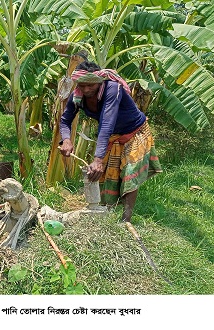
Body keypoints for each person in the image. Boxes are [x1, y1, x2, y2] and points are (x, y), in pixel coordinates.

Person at [59, 61, 162, 223]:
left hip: (135, 132)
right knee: (105, 175)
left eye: (90, 86)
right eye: (82, 85)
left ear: (100, 81)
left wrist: (98, 159)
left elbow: (107, 123)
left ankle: (126, 219)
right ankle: (106, 210)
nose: (86, 90)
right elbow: (65, 121)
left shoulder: (113, 89)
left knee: (129, 172)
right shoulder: (77, 96)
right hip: (113, 136)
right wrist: (66, 140)